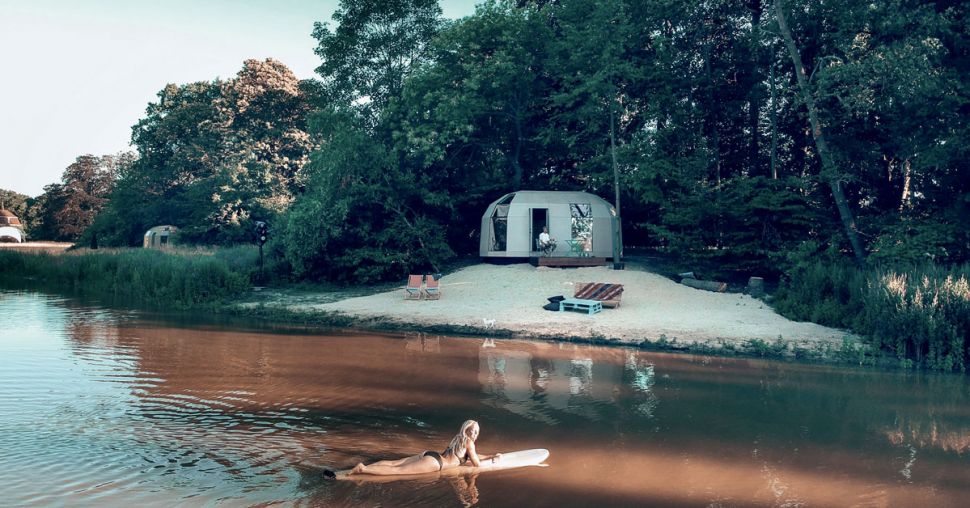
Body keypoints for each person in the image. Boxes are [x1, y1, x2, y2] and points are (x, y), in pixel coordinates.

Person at [348, 420, 501, 476]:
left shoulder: (458, 438)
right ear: (467, 430)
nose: (475, 434)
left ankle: (366, 466)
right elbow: (476, 464)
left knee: (395, 463)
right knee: (397, 471)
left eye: (477, 432)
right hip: (436, 464)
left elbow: (471, 455)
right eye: (473, 431)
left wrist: (490, 456)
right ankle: (363, 469)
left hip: (430, 454)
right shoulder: (469, 443)